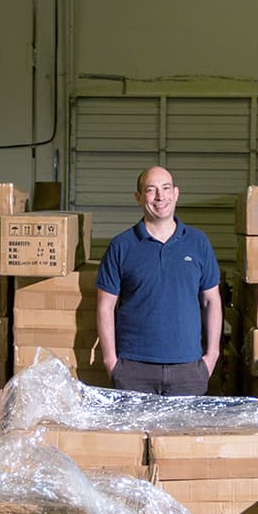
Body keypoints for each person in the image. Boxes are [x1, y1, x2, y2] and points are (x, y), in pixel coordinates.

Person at [96, 166, 222, 395]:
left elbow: (212, 301)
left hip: (188, 371)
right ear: (138, 197)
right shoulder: (121, 246)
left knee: (184, 433)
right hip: (133, 370)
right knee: (134, 433)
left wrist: (211, 356)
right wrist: (111, 362)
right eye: (151, 190)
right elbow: (105, 307)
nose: (160, 197)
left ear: (176, 193)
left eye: (165, 188)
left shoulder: (198, 242)